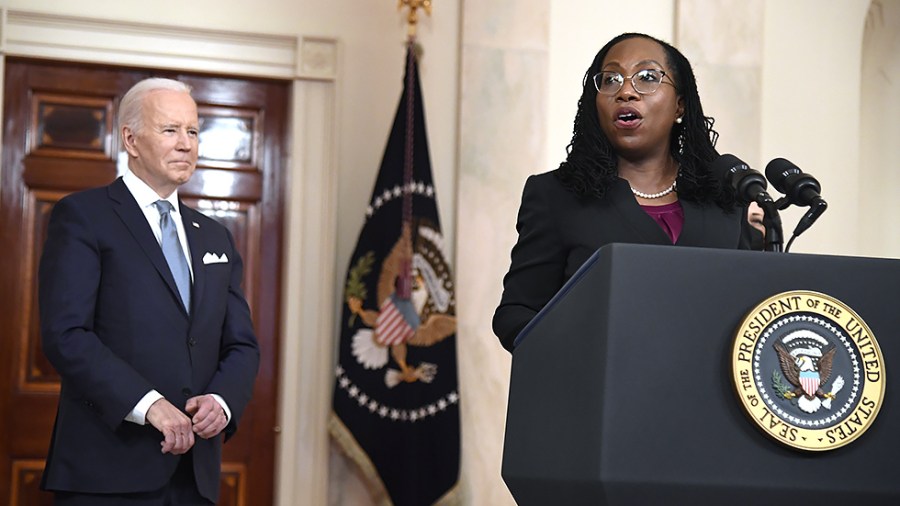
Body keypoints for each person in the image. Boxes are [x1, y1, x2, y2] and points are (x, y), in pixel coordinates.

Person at [39, 78, 260, 505]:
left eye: (193, 132)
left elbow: (241, 344)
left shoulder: (216, 236)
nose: (186, 144)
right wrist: (150, 405)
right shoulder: (82, 217)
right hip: (105, 474)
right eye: (170, 130)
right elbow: (67, 334)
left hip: (194, 476)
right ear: (131, 139)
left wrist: (222, 401)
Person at [492, 33, 752, 352]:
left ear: (680, 105)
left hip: (705, 397)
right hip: (598, 393)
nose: (626, 91)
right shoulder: (556, 195)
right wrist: (581, 350)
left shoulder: (724, 198)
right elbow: (516, 313)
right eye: (611, 80)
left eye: (647, 77)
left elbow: (751, 309)